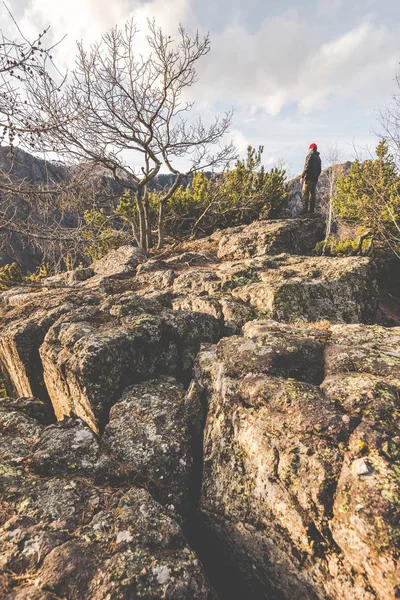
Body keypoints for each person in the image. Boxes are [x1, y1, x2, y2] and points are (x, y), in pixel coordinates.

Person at [300, 143, 322, 214]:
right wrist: (316, 176)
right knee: (313, 194)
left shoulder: (310, 156)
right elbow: (319, 170)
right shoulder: (318, 158)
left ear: (311, 148)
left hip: (308, 178)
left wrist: (302, 176)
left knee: (305, 193)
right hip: (314, 179)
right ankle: (311, 210)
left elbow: (307, 166)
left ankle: (304, 210)